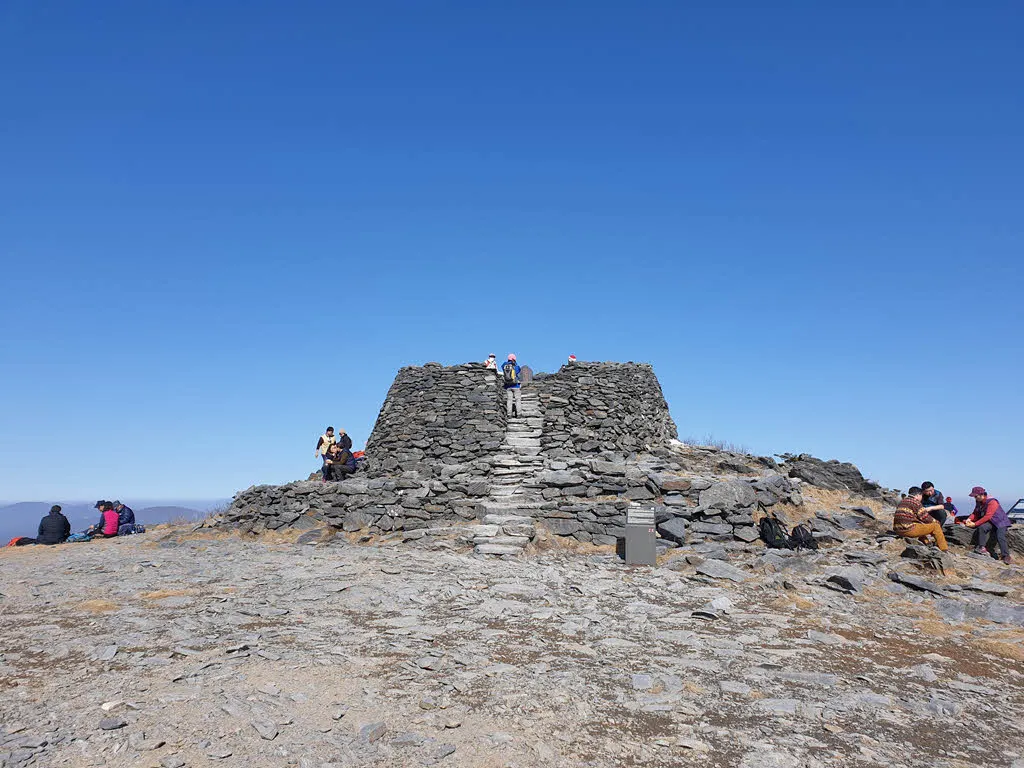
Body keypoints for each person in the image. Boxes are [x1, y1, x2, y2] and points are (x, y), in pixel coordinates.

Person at [964, 486, 1012, 563]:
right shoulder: (979, 501)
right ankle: (981, 547)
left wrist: (975, 524)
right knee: (982, 527)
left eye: (976, 496)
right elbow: (976, 512)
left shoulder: (992, 502)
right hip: (991, 522)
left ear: (981, 494)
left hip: (1000, 521)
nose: (975, 498)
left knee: (1000, 536)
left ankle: (1006, 556)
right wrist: (969, 519)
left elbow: (988, 516)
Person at [892, 487, 948, 551]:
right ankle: (943, 548)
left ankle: (926, 542)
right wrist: (936, 522)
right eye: (921, 495)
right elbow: (925, 518)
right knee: (935, 526)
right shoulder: (915, 502)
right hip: (907, 530)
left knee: (919, 525)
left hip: (898, 530)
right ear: (918, 495)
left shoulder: (903, 501)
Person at [502, 354, 522, 418]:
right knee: (518, 400)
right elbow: (519, 370)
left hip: (508, 386)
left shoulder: (504, 365)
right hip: (516, 385)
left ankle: (509, 414)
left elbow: (502, 366)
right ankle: (519, 414)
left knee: (509, 400)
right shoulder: (516, 366)